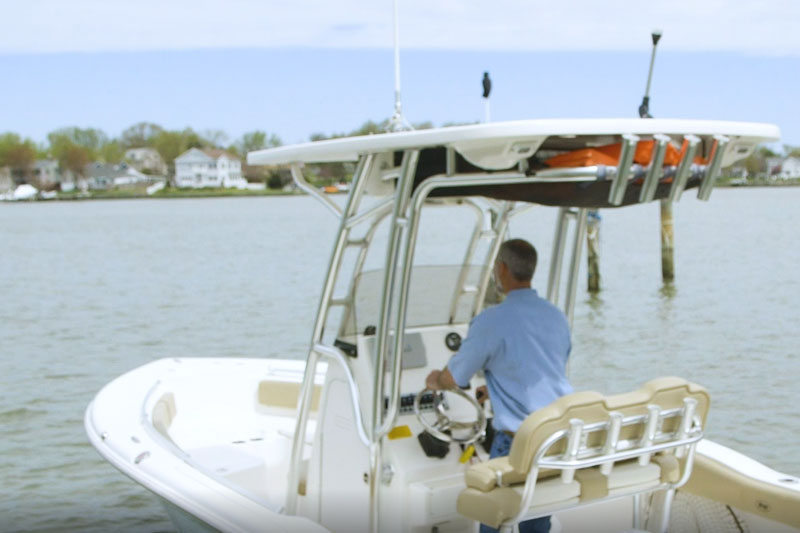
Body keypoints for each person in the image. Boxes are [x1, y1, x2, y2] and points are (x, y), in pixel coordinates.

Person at [424, 238, 572, 533]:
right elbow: (547, 370)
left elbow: (455, 378)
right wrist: (496, 389)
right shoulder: (556, 316)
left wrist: (435, 380)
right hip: (555, 439)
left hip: (517, 443)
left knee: (492, 518)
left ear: (501, 269)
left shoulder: (491, 321)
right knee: (535, 521)